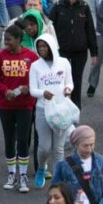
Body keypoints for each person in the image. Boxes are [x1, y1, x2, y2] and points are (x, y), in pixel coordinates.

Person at [0, 24, 38, 192]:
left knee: (23, 140)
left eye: (9, 40)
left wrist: (27, 89)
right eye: (5, 39)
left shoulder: (31, 57)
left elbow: (38, 78)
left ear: (18, 40)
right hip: (6, 106)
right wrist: (4, 91)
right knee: (9, 139)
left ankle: (23, 176)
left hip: (25, 106)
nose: (6, 42)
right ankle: (11, 174)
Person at [28, 33, 73, 188]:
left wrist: (68, 89)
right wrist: (43, 93)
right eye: (39, 47)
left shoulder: (64, 62)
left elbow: (70, 83)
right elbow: (33, 90)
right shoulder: (35, 66)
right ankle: (41, 167)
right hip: (43, 109)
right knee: (44, 147)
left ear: (51, 46)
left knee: (58, 149)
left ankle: (58, 179)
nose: (41, 49)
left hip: (61, 109)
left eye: (44, 46)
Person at [50, 0, 98, 111]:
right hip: (62, 50)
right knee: (61, 79)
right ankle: (60, 105)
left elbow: (90, 31)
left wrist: (94, 52)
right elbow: (50, 29)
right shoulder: (58, 6)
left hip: (80, 51)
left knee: (76, 79)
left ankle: (76, 108)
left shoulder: (84, 7)